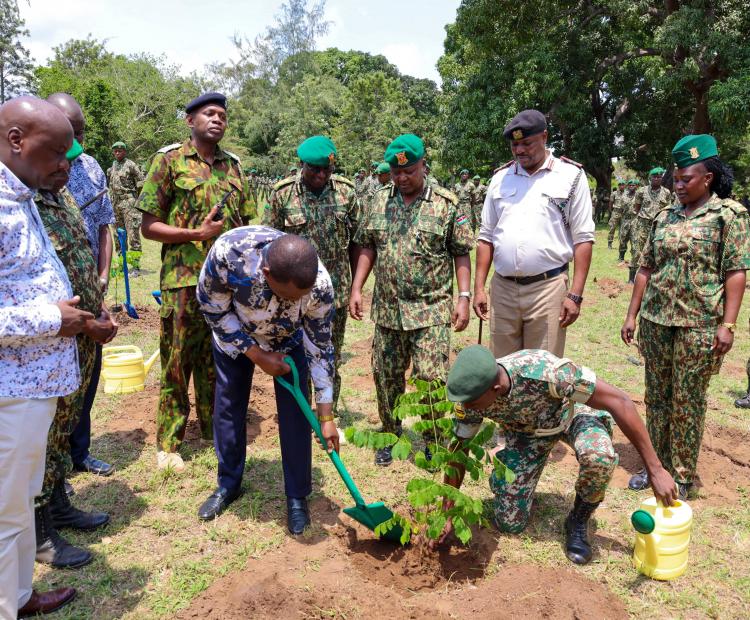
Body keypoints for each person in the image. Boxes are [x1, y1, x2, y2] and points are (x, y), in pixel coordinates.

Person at [437, 345, 677, 564]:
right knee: (509, 523)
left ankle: (579, 518)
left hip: (572, 414)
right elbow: (459, 448)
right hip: (529, 432)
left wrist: (655, 469)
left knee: (598, 456)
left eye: (474, 404)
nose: (468, 409)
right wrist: (446, 510)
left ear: (496, 388)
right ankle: (512, 483)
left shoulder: (548, 373)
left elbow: (621, 402)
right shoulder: (473, 395)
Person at [0, 96, 90, 619]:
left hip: (35, 385)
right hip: (10, 391)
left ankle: (18, 595)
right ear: (16, 140)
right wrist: (55, 320)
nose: (65, 164)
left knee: (17, 506)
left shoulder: (23, 196)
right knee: (6, 513)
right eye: (56, 151)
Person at [622, 135, 750, 499]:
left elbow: (735, 272)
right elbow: (645, 267)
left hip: (700, 325)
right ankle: (655, 467)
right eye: (675, 179)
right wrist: (632, 315)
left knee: (687, 402)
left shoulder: (729, 216)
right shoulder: (664, 216)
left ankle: (682, 475)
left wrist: (728, 324)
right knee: (657, 397)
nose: (677, 185)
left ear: (707, 177)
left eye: (685, 179)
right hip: (657, 322)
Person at [137, 92, 255, 472]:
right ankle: (168, 445)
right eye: (209, 113)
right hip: (183, 280)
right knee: (177, 362)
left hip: (226, 284)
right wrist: (195, 233)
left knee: (218, 359)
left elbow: (250, 226)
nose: (217, 119)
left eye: (222, 114)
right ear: (190, 121)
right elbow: (149, 226)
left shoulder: (234, 168)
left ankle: (211, 430)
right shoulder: (168, 161)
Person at [196, 229, 340, 534]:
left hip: (289, 340)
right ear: (266, 273)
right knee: (228, 407)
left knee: (297, 416)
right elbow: (212, 309)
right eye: (287, 296)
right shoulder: (229, 255)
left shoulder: (320, 286)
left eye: (299, 298)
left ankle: (297, 497)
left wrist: (326, 415)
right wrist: (255, 354)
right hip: (236, 335)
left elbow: (321, 349)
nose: (293, 302)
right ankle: (228, 484)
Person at [350, 134, 473, 466]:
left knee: (432, 379)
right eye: (395, 171)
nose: (401, 178)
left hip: (431, 308)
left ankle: (435, 439)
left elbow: (461, 253)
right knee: (385, 375)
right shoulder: (376, 200)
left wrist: (464, 297)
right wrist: (357, 287)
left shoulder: (447, 203)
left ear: (423, 166)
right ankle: (391, 434)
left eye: (409, 170)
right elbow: (367, 246)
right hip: (388, 309)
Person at [34, 141, 117, 570]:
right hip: (46, 341)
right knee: (43, 436)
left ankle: (60, 502)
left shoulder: (60, 194)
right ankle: (39, 531)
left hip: (80, 331)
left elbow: (83, 252)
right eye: (57, 160)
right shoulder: (21, 204)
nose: (67, 168)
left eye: (71, 160)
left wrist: (98, 309)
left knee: (65, 425)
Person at [474, 109, 595, 358]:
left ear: (544, 137)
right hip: (503, 290)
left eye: (527, 143)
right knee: (502, 371)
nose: (520, 151)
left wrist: (575, 295)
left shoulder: (571, 176)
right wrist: (478, 288)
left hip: (547, 289)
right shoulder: (499, 179)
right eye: (514, 145)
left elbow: (583, 239)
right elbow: (486, 236)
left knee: (542, 372)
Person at [263, 136, 359, 413]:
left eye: (327, 170)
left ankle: (329, 412)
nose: (321, 175)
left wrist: (354, 287)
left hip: (334, 292)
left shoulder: (346, 193)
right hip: (291, 292)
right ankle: (297, 412)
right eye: (314, 169)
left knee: (330, 353)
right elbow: (268, 242)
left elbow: (358, 241)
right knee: (293, 354)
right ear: (301, 165)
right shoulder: (282, 194)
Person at [47, 93, 115, 478]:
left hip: (90, 290)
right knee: (58, 386)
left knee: (88, 375)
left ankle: (79, 452)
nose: (78, 143)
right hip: (54, 303)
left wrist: (101, 280)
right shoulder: (33, 176)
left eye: (81, 132)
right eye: (71, 133)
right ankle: (51, 474)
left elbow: (105, 226)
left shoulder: (89, 168)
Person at [628, 168, 672, 284]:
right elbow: (636, 208)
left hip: (658, 225)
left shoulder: (667, 193)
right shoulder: (641, 191)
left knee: (656, 251)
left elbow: (668, 209)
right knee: (637, 250)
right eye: (654, 176)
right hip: (642, 224)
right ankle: (632, 277)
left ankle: (653, 278)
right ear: (650, 178)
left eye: (659, 176)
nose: (657, 178)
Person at [107, 141, 144, 256]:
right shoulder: (112, 166)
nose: (117, 153)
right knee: (118, 234)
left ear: (125, 152)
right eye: (115, 151)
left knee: (133, 233)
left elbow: (141, 182)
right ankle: (121, 263)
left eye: (120, 150)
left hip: (129, 203)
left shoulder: (131, 165)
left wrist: (136, 199)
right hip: (115, 204)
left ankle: (135, 265)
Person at [617, 179, 639, 267]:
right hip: (625, 220)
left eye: (633, 185)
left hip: (635, 220)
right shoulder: (624, 196)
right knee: (623, 239)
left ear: (637, 186)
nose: (631, 187)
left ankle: (634, 259)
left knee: (635, 240)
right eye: (630, 185)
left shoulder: (639, 196)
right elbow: (621, 209)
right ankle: (621, 257)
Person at [607, 179, 626, 249]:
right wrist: (611, 212)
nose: (621, 186)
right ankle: (609, 243)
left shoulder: (627, 193)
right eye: (620, 184)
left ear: (625, 186)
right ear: (618, 186)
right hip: (615, 212)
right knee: (612, 228)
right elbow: (610, 203)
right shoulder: (614, 193)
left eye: (623, 184)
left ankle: (622, 244)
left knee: (623, 230)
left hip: (624, 213)